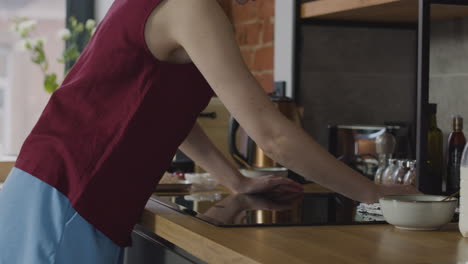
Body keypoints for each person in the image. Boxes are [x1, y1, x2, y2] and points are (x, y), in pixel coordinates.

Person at [0, 0, 417, 263]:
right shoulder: (191, 8)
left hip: (56, 189)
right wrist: (373, 194)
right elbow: (273, 136)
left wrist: (234, 179)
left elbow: (166, 115)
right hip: (68, 195)